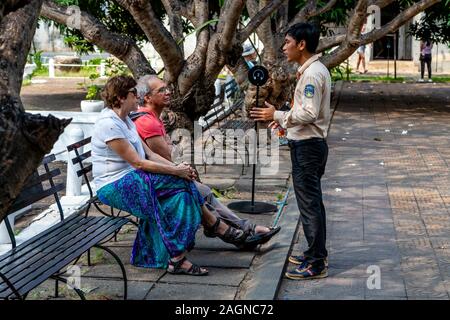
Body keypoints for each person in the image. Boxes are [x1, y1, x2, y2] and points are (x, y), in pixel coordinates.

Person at [92, 75, 247, 276]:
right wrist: (176, 171)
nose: (137, 97)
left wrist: (179, 168)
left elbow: (150, 154)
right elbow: (138, 162)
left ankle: (176, 258)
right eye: (133, 93)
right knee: (181, 184)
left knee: (182, 195)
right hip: (115, 185)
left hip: (136, 178)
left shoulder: (127, 121)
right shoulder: (109, 124)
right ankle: (215, 227)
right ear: (121, 98)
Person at [132, 75, 281, 250]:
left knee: (204, 191)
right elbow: (166, 157)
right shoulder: (147, 122)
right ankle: (234, 231)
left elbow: (168, 154)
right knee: (198, 192)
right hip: (151, 180)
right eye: (161, 90)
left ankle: (242, 228)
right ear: (147, 97)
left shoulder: (152, 118)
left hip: (161, 174)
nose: (168, 92)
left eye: (167, 88)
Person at [250, 22, 331, 280]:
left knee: (310, 205)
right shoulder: (310, 70)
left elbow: (308, 113)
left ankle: (316, 263)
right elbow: (304, 113)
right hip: (307, 145)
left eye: (287, 42)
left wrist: (278, 114)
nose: (284, 47)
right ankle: (315, 253)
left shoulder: (312, 74)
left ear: (301, 44)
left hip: (309, 148)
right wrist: (283, 120)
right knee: (312, 203)